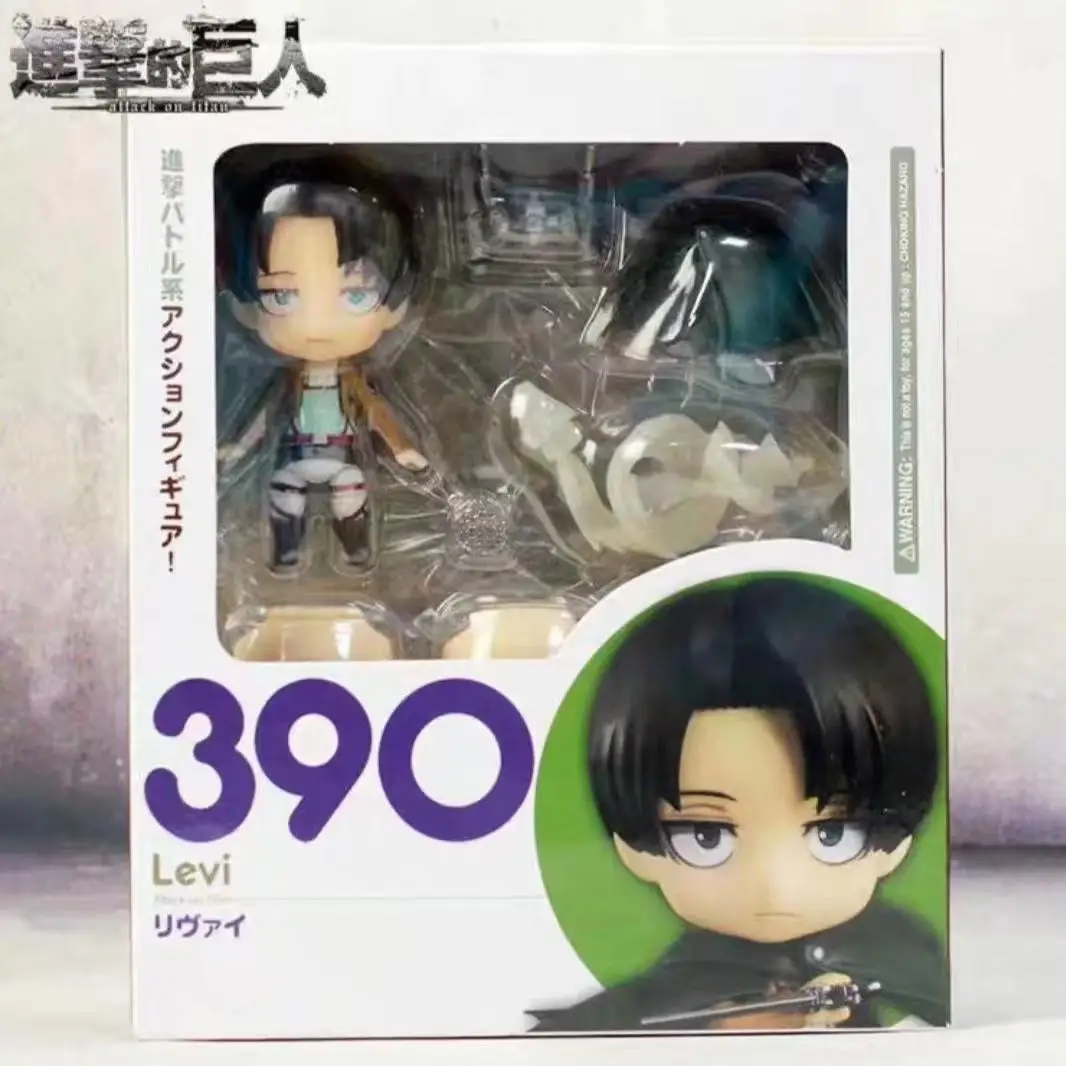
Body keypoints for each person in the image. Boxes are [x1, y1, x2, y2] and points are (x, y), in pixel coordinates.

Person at [529, 577, 947, 1031]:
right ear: (635, 847)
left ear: (896, 840)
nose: (773, 884)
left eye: (833, 834)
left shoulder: (902, 955)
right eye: (706, 836)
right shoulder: (665, 997)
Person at [218, 156, 426, 573]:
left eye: (355, 296)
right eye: (282, 296)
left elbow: (376, 413)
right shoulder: (289, 382)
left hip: (342, 456)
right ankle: (286, 550)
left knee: (350, 497)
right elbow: (265, 417)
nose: (316, 325)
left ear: (397, 304)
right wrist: (239, 446)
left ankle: (355, 548)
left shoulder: (354, 382)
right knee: (284, 496)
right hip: (294, 455)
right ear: (246, 304)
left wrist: (401, 447)